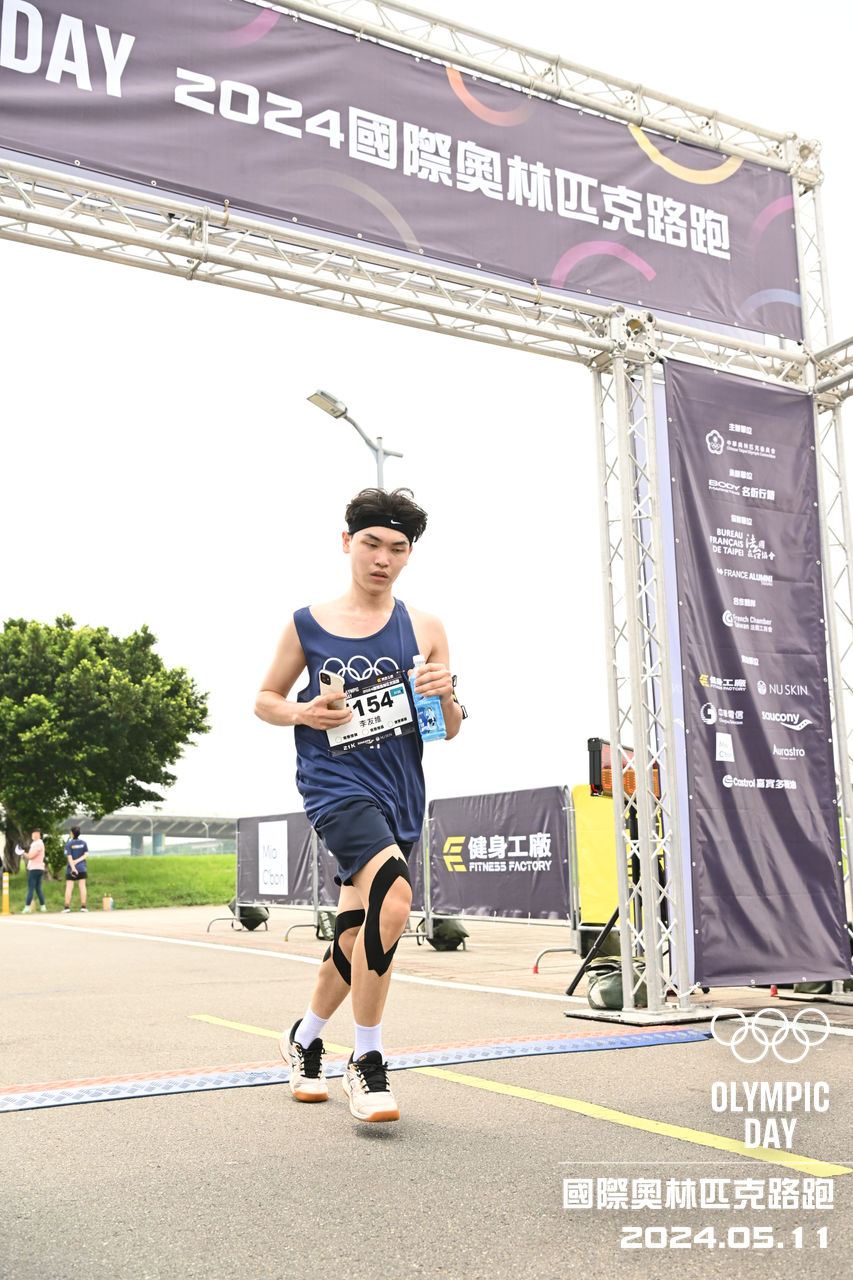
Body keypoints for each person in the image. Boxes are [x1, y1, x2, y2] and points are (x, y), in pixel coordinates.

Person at [255, 487, 464, 1123]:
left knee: (355, 932)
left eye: (397, 548)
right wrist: (303, 712)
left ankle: (305, 1039)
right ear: (347, 543)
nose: (383, 558)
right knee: (395, 897)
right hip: (335, 785)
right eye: (371, 544)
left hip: (399, 789)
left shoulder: (426, 628)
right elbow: (265, 699)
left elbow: (444, 729)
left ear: (408, 555)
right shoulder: (307, 624)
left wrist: (445, 694)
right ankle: (366, 1061)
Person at [63, 826, 89, 912]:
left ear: (72, 833)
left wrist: (73, 868)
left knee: (69, 887)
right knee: (82, 886)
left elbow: (69, 857)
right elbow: (86, 854)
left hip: (71, 869)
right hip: (82, 868)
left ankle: (67, 907)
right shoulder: (83, 843)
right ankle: (83, 906)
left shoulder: (69, 844)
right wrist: (78, 861)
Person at [21, 829, 47, 913]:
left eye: (36, 834)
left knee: (31, 888)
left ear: (40, 835)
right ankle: (43, 907)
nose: (34, 835)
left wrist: (22, 852)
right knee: (38, 888)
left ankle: (27, 907)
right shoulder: (37, 843)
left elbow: (30, 856)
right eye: (33, 834)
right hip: (39, 868)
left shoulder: (38, 843)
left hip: (34, 868)